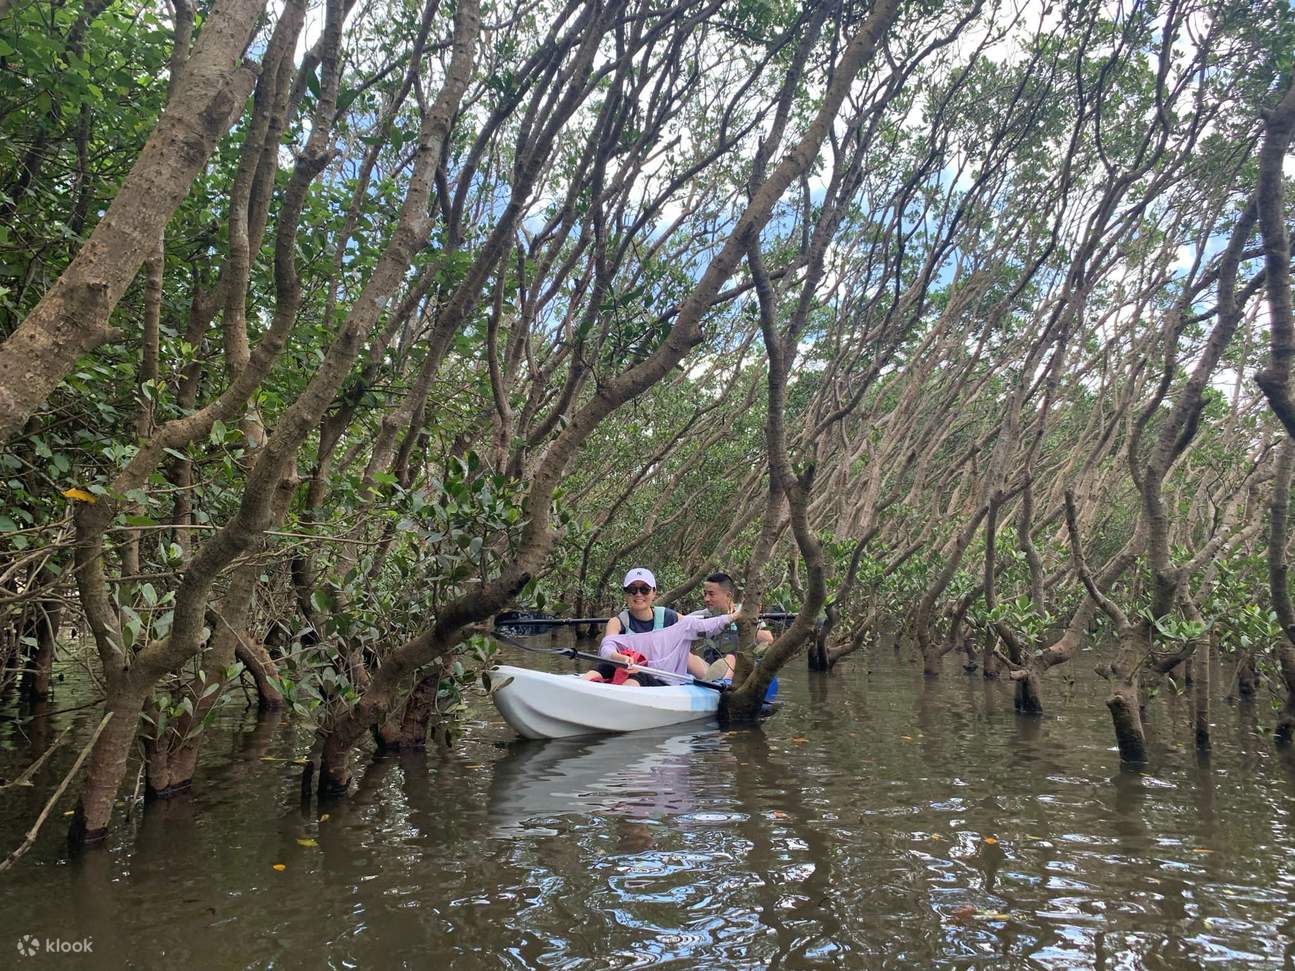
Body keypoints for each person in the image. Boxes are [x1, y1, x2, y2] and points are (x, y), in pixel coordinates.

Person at [584, 567, 709, 686]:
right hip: (628, 670)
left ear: (654, 592)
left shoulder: (668, 617)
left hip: (657, 677)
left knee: (684, 655)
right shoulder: (617, 622)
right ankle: (583, 684)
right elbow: (607, 648)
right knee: (606, 665)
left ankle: (711, 677)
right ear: (626, 595)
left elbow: (696, 627)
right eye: (632, 590)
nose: (638, 594)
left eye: (644, 589)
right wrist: (618, 657)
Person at [688, 572, 774, 678]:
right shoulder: (702, 615)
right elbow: (679, 623)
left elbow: (768, 640)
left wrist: (741, 624)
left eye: (711, 594)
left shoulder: (745, 612)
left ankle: (722, 685)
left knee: (730, 658)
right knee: (686, 656)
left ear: (728, 595)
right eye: (705, 594)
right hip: (710, 671)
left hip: (738, 673)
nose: (706, 599)